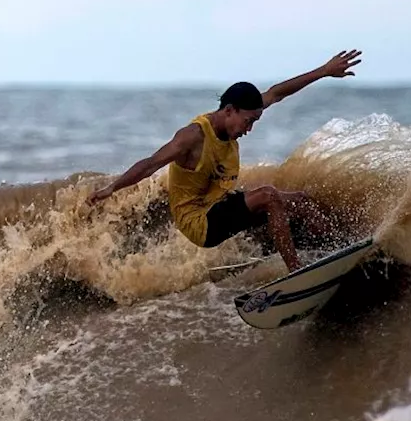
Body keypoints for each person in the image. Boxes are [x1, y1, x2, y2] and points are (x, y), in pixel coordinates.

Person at [86, 50, 363, 271]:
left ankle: (342, 251)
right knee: (268, 196)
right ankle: (296, 274)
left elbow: (277, 93)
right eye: (248, 121)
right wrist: (113, 187)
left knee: (301, 200)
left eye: (254, 121)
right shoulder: (192, 137)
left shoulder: (239, 113)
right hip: (199, 221)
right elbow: (150, 163)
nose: (249, 129)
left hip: (219, 205)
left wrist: (325, 71)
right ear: (229, 110)